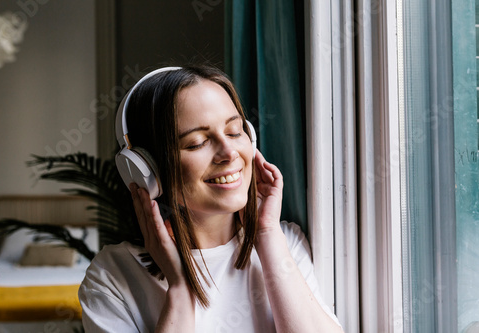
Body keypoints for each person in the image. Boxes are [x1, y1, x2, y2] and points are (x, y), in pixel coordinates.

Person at [78, 65, 343, 332]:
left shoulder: (285, 244)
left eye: (235, 131)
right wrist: (180, 290)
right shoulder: (112, 275)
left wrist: (267, 234)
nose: (229, 152)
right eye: (197, 143)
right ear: (147, 169)